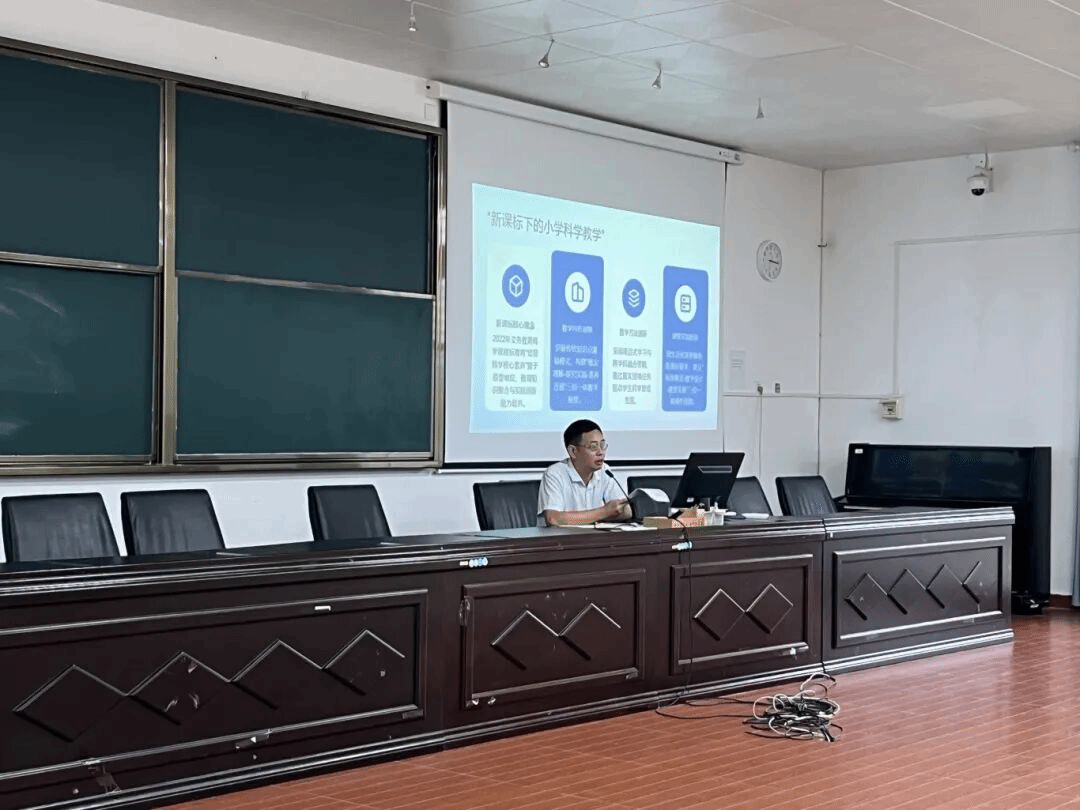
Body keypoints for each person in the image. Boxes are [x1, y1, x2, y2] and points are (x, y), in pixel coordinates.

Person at [537, 419, 631, 527]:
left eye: (602, 445)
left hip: (593, 536)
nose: (601, 452)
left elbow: (626, 512)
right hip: (560, 537)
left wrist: (594, 517)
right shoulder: (555, 474)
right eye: (593, 447)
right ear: (573, 451)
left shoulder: (605, 471)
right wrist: (604, 512)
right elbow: (553, 519)